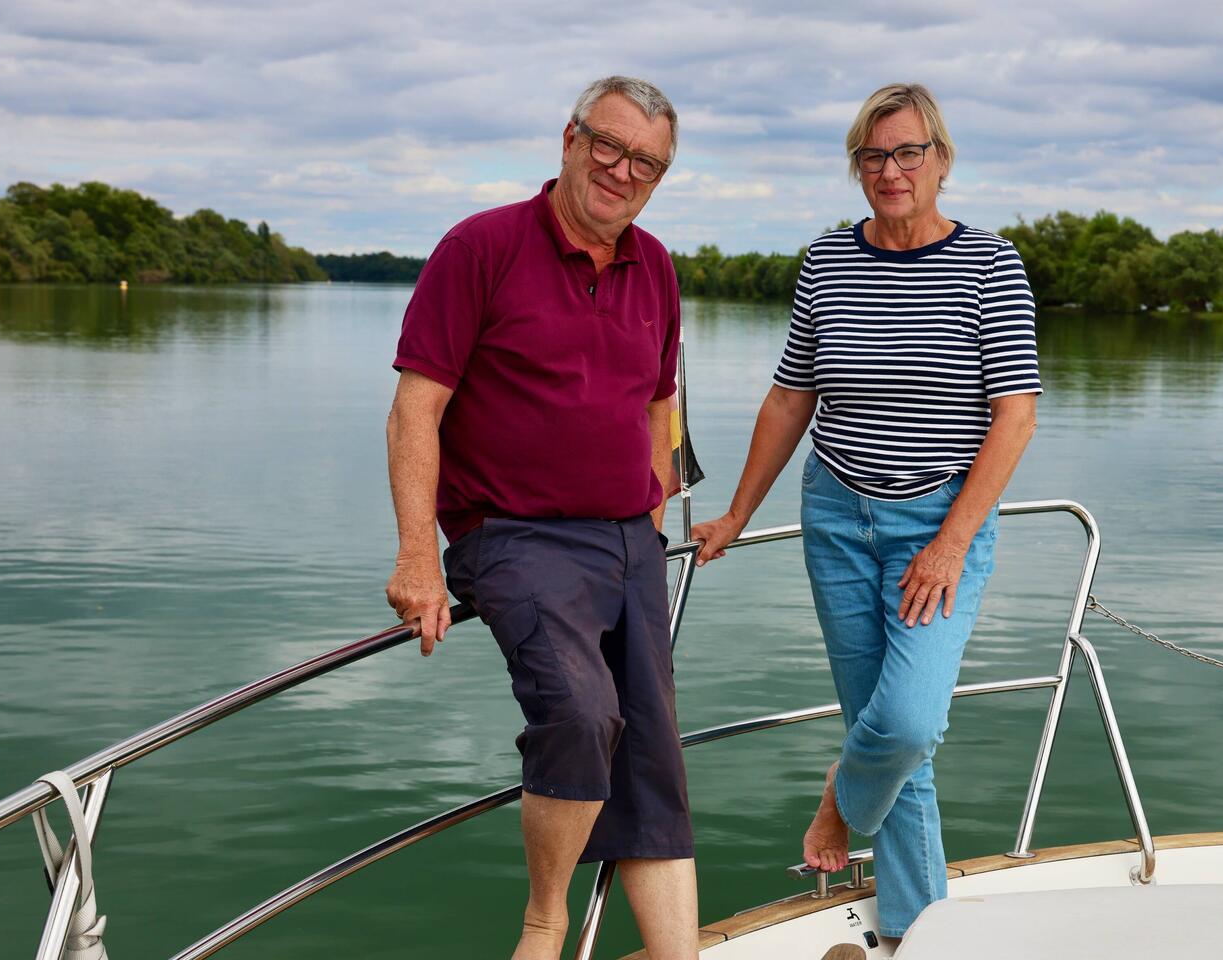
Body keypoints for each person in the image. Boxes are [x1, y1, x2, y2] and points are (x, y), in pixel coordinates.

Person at [692, 82, 1041, 942]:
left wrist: (953, 542)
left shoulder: (989, 263)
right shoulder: (828, 260)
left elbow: (1016, 414)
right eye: (874, 155)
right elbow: (789, 398)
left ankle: (838, 803)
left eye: (909, 151)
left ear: (943, 161)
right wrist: (737, 513)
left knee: (910, 720)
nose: (892, 170)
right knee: (900, 751)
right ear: (858, 167)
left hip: (939, 528)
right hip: (839, 520)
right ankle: (914, 932)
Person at [384, 76, 698, 960]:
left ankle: (680, 955)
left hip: (633, 541)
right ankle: (546, 918)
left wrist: (659, 480)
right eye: (610, 145)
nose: (622, 171)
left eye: (647, 162)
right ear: (569, 139)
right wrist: (418, 556)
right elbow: (416, 411)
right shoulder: (481, 247)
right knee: (579, 712)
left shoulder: (658, 265)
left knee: (653, 753)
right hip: (513, 535)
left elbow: (659, 398)